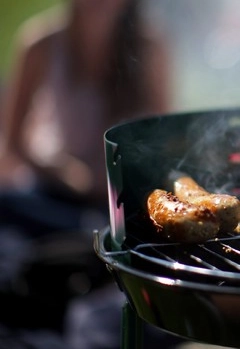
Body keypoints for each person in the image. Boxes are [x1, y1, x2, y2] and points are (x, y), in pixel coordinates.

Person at [0, 0, 171, 346]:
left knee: (121, 238)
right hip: (51, 192)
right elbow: (14, 143)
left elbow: (162, 143)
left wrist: (116, 180)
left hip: (116, 201)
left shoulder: (150, 48)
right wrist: (67, 173)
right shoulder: (41, 43)